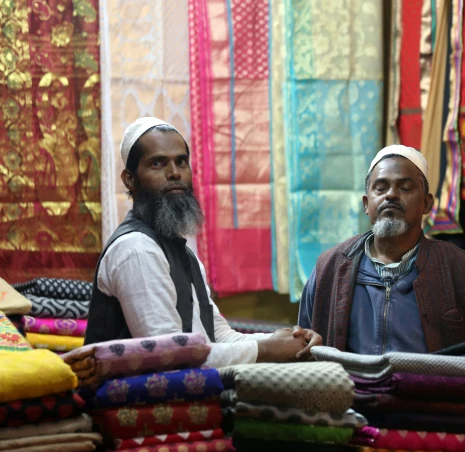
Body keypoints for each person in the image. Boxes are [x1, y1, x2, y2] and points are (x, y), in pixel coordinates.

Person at [85, 117, 322, 366]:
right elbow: (170, 356)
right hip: (122, 401)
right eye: (157, 163)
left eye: (181, 162)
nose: (174, 173)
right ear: (130, 179)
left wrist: (289, 341)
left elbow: (217, 335)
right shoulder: (135, 249)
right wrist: (265, 351)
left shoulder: (182, 253)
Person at [298, 145, 465, 354]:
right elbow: (302, 349)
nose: (391, 195)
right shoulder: (330, 268)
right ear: (366, 204)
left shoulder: (458, 270)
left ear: (427, 203)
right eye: (381, 188)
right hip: (348, 386)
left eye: (405, 187)